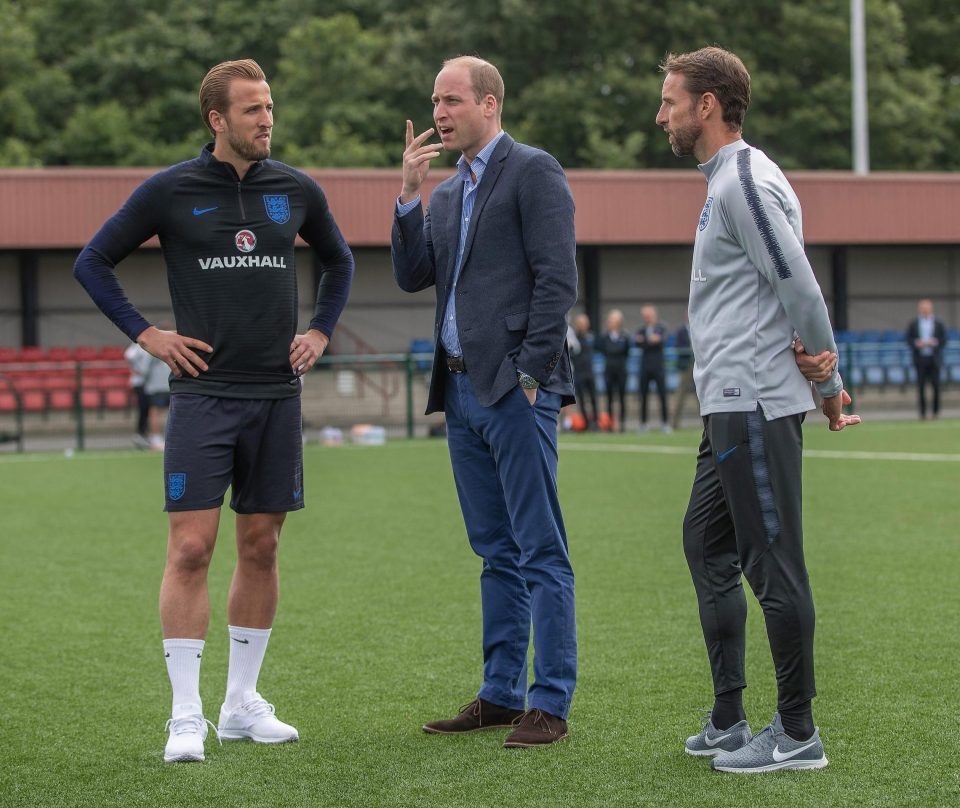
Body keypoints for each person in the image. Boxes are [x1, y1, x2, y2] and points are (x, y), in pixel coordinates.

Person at [73, 58, 355, 764]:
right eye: (253, 109)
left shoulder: (296, 190)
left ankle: (240, 705)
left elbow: (340, 260)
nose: (267, 119)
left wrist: (320, 329)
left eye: (269, 107)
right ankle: (186, 714)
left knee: (261, 546)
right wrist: (148, 334)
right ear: (217, 120)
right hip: (203, 396)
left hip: (275, 397)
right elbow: (92, 261)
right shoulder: (171, 190)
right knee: (191, 549)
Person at [656, 46, 861, 774]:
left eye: (671, 100)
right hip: (726, 404)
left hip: (753, 402)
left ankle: (798, 732)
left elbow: (799, 288)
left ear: (707, 105)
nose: (663, 114)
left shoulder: (743, 181)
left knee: (772, 565)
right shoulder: (723, 183)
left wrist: (830, 381)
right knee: (704, 544)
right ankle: (728, 716)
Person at [392, 55, 577, 748]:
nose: (439, 113)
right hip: (460, 390)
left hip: (514, 391)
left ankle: (549, 702)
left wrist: (530, 378)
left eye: (452, 100)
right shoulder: (444, 195)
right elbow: (413, 276)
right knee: (494, 550)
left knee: (539, 549)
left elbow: (558, 280)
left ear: (490, 104)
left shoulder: (533, 170)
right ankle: (500, 695)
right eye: (435, 102)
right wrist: (409, 195)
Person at [906, 298, 947, 419]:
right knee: (921, 387)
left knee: (936, 386)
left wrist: (935, 342)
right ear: (919, 309)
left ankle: (935, 412)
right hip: (920, 359)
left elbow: (944, 340)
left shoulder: (938, 323)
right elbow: (908, 339)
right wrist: (916, 343)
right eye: (923, 308)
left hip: (934, 359)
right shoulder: (913, 323)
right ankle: (922, 413)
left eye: (927, 308)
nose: (925, 310)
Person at [634, 304, 669, 432]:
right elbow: (638, 342)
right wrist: (650, 341)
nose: (647, 318)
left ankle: (665, 423)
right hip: (645, 367)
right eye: (645, 316)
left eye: (649, 315)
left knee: (662, 396)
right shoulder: (641, 329)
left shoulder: (661, 327)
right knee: (643, 396)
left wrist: (646, 341)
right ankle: (643, 424)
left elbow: (661, 340)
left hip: (658, 367)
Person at [597, 309, 631, 432]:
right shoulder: (605, 337)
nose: (609, 322)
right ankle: (610, 424)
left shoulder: (624, 337)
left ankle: (622, 424)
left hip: (621, 370)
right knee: (609, 398)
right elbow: (603, 350)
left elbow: (627, 352)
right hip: (609, 370)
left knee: (622, 397)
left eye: (612, 320)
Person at [569, 313, 598, 429]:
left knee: (593, 398)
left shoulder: (591, 337)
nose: (582, 325)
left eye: (584, 323)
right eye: (580, 323)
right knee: (581, 400)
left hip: (590, 372)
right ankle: (586, 423)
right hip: (579, 372)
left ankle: (595, 423)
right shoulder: (574, 339)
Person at [670, 318, 697, 430]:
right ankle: (674, 423)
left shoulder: (698, 327)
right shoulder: (681, 331)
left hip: (698, 365)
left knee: (701, 394)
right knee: (681, 394)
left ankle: (707, 423)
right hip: (686, 366)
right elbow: (677, 346)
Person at [124, 342, 152, 448]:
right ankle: (140, 434)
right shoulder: (137, 346)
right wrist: (135, 370)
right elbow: (129, 356)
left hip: (147, 383)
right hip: (140, 383)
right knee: (143, 408)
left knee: (146, 409)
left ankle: (143, 434)